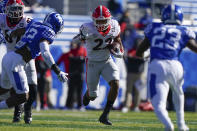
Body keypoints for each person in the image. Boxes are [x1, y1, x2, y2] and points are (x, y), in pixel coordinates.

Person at [136, 4, 197, 131]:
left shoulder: (154, 27)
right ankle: (181, 124)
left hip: (157, 65)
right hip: (175, 65)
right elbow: (194, 47)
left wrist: (145, 55)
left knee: (157, 103)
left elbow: (140, 50)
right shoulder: (184, 30)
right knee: (178, 91)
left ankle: (168, 125)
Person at [0, 11, 68, 119]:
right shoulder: (48, 32)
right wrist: (57, 71)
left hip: (9, 57)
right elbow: (45, 52)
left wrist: (10, 34)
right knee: (22, 96)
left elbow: (18, 31)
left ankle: (25, 114)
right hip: (16, 63)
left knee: (3, 90)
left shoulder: (35, 24)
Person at [72, 5, 124, 125]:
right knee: (93, 96)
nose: (101, 24)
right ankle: (88, 94)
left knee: (115, 83)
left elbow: (118, 39)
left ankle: (105, 115)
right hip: (93, 63)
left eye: (103, 21)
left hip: (107, 61)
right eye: (98, 21)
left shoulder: (115, 25)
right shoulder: (87, 27)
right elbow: (78, 40)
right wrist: (81, 37)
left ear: (109, 20)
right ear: (93, 20)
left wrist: (119, 48)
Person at [0, 0, 38, 124]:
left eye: (18, 8)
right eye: (13, 9)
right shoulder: (2, 18)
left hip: (27, 58)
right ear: (7, 10)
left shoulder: (27, 21)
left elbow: (38, 30)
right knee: (15, 89)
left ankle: (28, 109)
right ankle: (18, 112)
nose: (16, 12)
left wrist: (19, 31)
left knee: (33, 89)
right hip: (12, 58)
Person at [57, 41, 87, 110]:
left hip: (79, 74)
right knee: (71, 91)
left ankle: (80, 106)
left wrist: (75, 59)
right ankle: (68, 105)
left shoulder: (82, 50)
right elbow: (58, 62)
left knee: (79, 91)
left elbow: (84, 59)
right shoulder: (68, 53)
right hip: (71, 74)